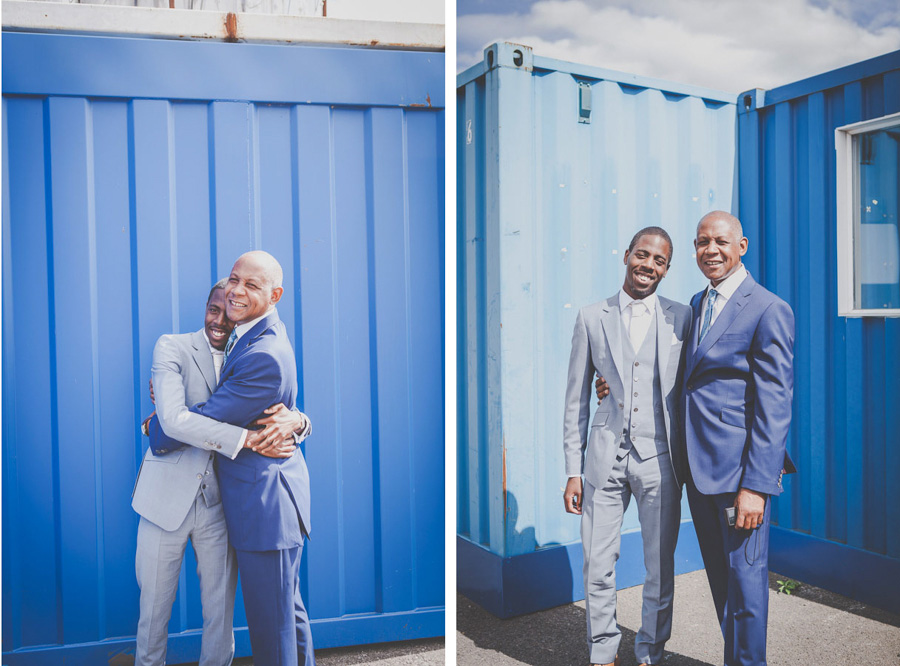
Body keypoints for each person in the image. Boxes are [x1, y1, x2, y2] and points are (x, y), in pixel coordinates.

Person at [149, 251, 315, 666]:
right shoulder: (251, 334)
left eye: (251, 286)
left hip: (264, 507)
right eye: (234, 279)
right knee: (286, 617)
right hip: (263, 501)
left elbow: (207, 416)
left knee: (272, 629)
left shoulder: (262, 352)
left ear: (275, 294)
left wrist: (159, 426)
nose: (237, 292)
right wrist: (300, 420)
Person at [563, 227, 691, 666]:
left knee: (659, 568)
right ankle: (602, 654)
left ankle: (650, 653)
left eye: (659, 260)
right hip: (603, 460)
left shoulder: (683, 317)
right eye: (642, 255)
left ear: (667, 269)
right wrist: (572, 470)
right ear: (626, 255)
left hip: (660, 461)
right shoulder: (590, 316)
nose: (648, 265)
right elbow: (575, 400)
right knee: (598, 565)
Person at [684, 210, 794, 666]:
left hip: (739, 475)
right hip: (698, 469)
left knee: (747, 587)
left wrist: (756, 486)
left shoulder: (768, 307)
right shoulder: (696, 302)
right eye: (702, 242)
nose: (710, 250)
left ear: (742, 246)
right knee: (721, 583)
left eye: (721, 242)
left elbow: (775, 405)